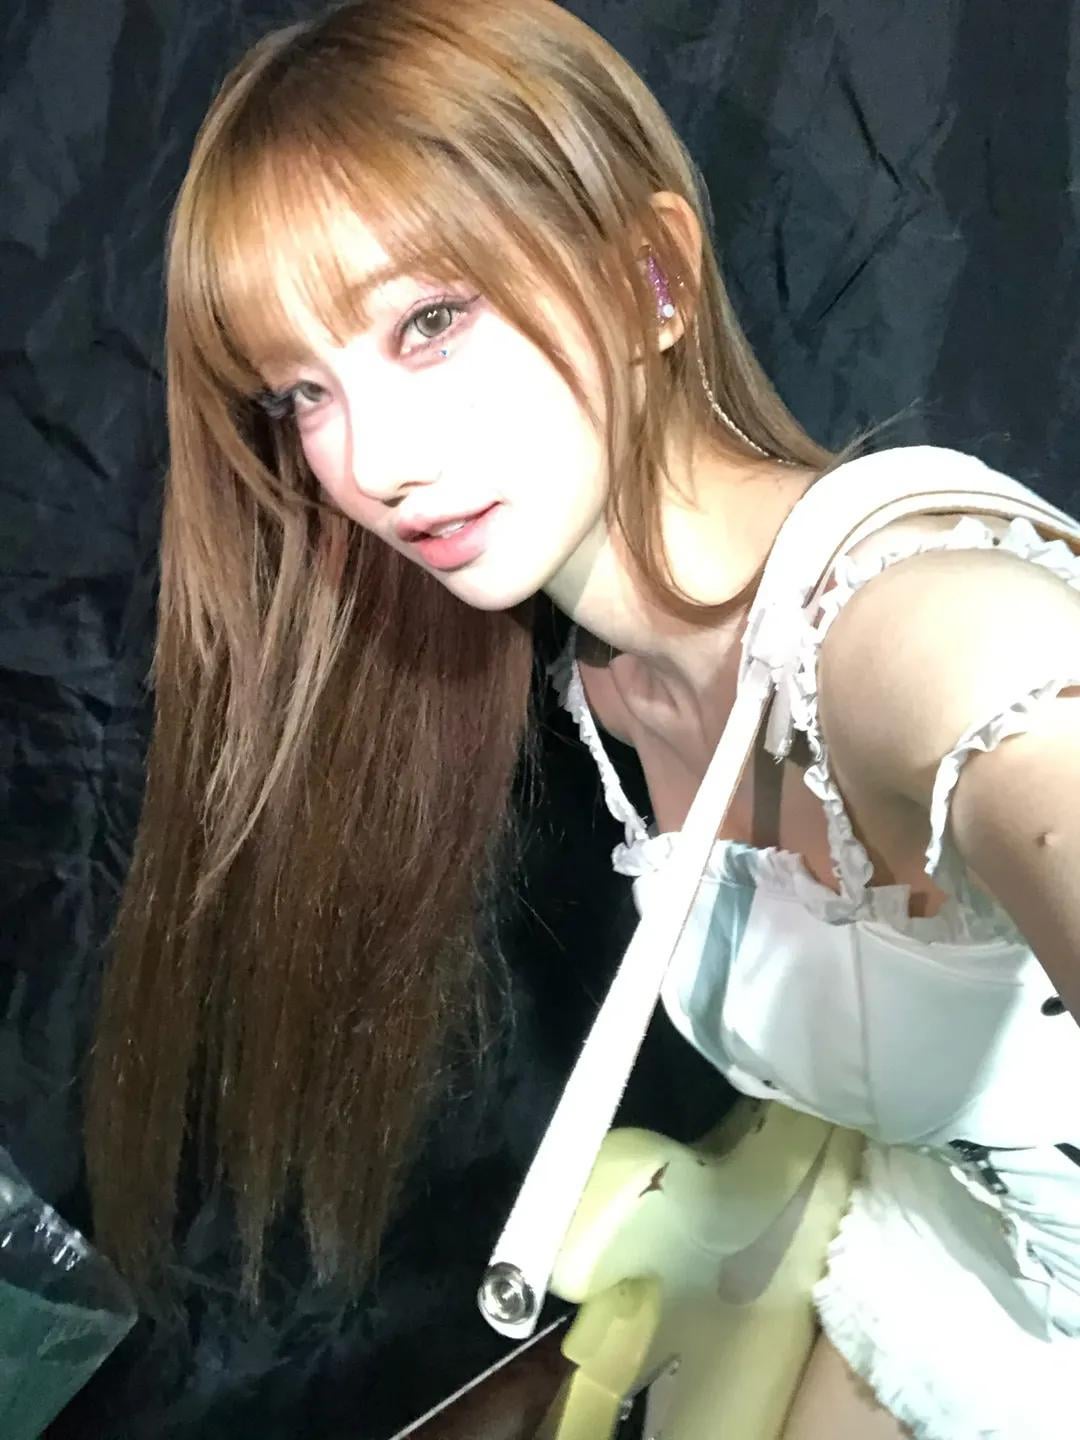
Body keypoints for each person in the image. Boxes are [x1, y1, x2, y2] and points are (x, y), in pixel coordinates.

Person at [84, 0, 1080, 1435]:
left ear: (651, 279)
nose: (370, 464)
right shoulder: (608, 684)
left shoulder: (911, 631)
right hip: (913, 1266)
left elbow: (1002, 696)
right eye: (300, 392)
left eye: (429, 321)